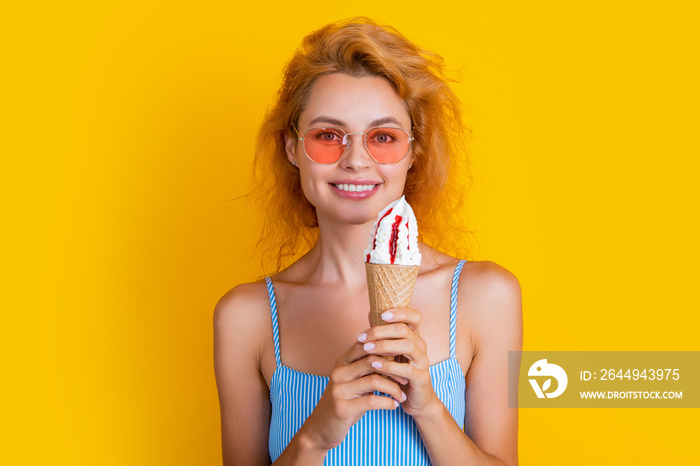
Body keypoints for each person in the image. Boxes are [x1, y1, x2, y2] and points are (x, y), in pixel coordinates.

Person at [214, 17, 522, 466]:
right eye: (327, 136)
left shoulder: (485, 296)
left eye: (382, 137)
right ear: (291, 148)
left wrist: (429, 410)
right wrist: (315, 437)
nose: (356, 160)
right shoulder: (247, 317)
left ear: (414, 151)